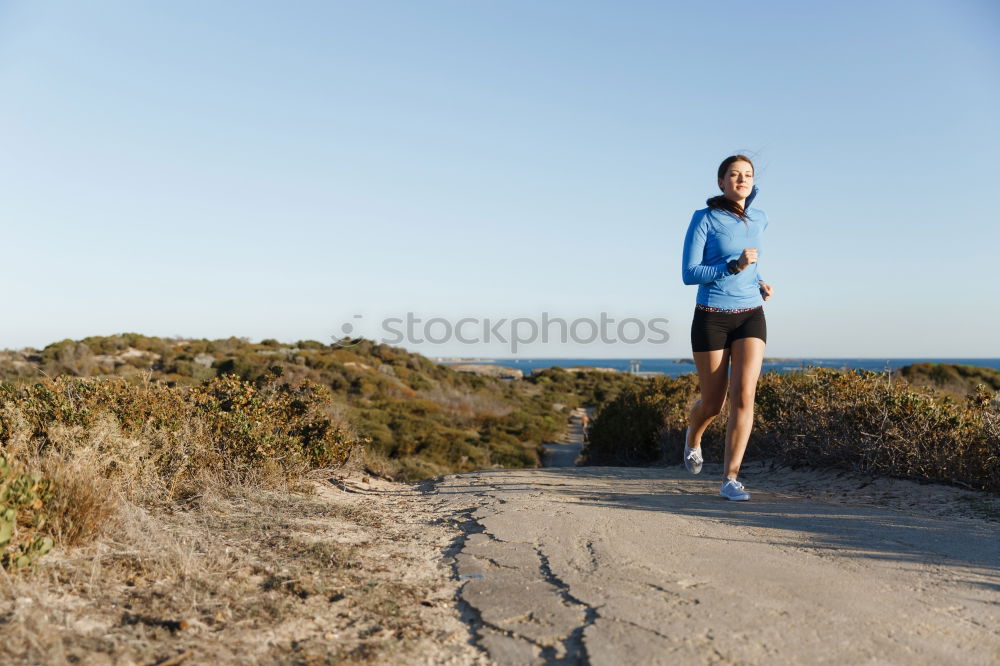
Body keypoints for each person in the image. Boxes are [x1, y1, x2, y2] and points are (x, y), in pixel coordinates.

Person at [680, 155, 773, 501]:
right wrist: (733, 267)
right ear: (720, 182)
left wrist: (761, 281)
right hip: (711, 317)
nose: (742, 179)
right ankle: (693, 436)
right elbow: (689, 273)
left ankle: (730, 479)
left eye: (747, 175)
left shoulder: (760, 218)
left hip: (751, 314)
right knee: (714, 404)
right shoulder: (704, 218)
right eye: (734, 175)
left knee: (744, 395)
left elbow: (753, 262)